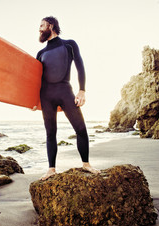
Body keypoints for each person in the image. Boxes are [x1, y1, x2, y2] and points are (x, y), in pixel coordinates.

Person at [34, 16, 100, 180]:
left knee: (81, 129)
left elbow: (80, 66)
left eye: (42, 26)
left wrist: (82, 90)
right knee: (50, 133)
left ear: (51, 25)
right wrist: (34, 101)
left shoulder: (69, 44)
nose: (39, 29)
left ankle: (86, 164)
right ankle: (51, 169)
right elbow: (36, 80)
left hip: (65, 91)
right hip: (46, 96)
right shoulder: (41, 53)